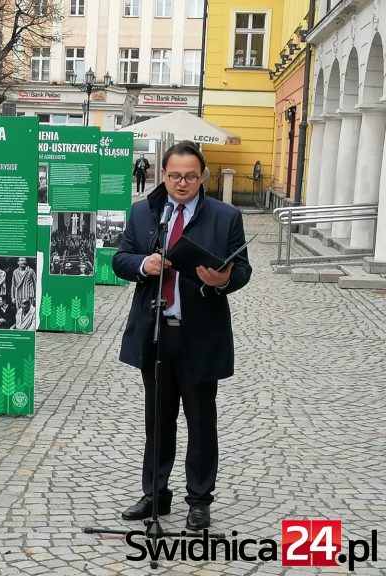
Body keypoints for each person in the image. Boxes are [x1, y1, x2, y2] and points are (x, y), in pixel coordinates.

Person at [112, 141, 252, 531]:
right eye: (174, 175)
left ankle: (199, 499)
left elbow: (242, 270)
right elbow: (120, 260)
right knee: (158, 419)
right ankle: (155, 493)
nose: (182, 183)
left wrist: (224, 279)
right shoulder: (144, 213)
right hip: (155, 332)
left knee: (201, 419)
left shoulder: (225, 216)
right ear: (163, 175)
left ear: (203, 176)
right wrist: (144, 263)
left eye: (190, 176)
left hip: (200, 334)